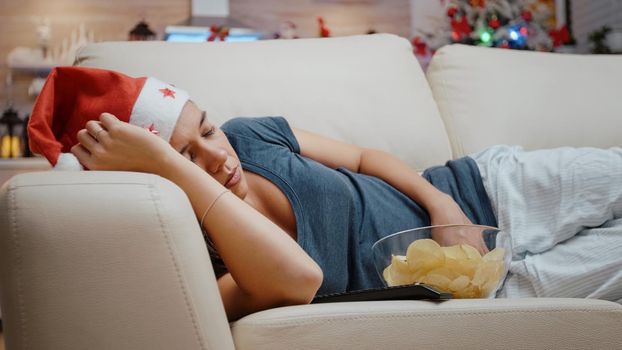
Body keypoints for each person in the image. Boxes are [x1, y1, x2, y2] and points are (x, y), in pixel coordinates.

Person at [29, 67, 622, 321]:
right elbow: (299, 280)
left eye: (206, 129)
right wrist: (170, 167)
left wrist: (444, 206)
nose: (218, 157)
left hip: (483, 189)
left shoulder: (250, 135)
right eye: (185, 157)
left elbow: (366, 159)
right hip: (494, 293)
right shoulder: (208, 257)